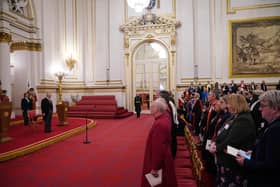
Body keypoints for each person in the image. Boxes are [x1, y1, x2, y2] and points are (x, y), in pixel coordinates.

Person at [209, 94, 256, 186]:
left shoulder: (243, 119)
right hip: (226, 159)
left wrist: (216, 148)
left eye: (229, 103)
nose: (228, 106)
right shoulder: (234, 116)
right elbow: (222, 133)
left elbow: (232, 141)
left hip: (233, 162)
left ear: (236, 104)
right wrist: (214, 143)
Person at [236, 90, 280, 187]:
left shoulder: (276, 129)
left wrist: (246, 162)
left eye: (263, 106)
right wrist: (255, 153)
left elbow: (271, 166)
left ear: (275, 108)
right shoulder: (272, 125)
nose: (260, 109)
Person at [141, 98, 177, 187]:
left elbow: (159, 148)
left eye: (152, 107)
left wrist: (155, 167)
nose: (150, 108)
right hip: (165, 156)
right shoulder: (164, 118)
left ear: (157, 109)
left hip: (160, 161)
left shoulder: (159, 124)